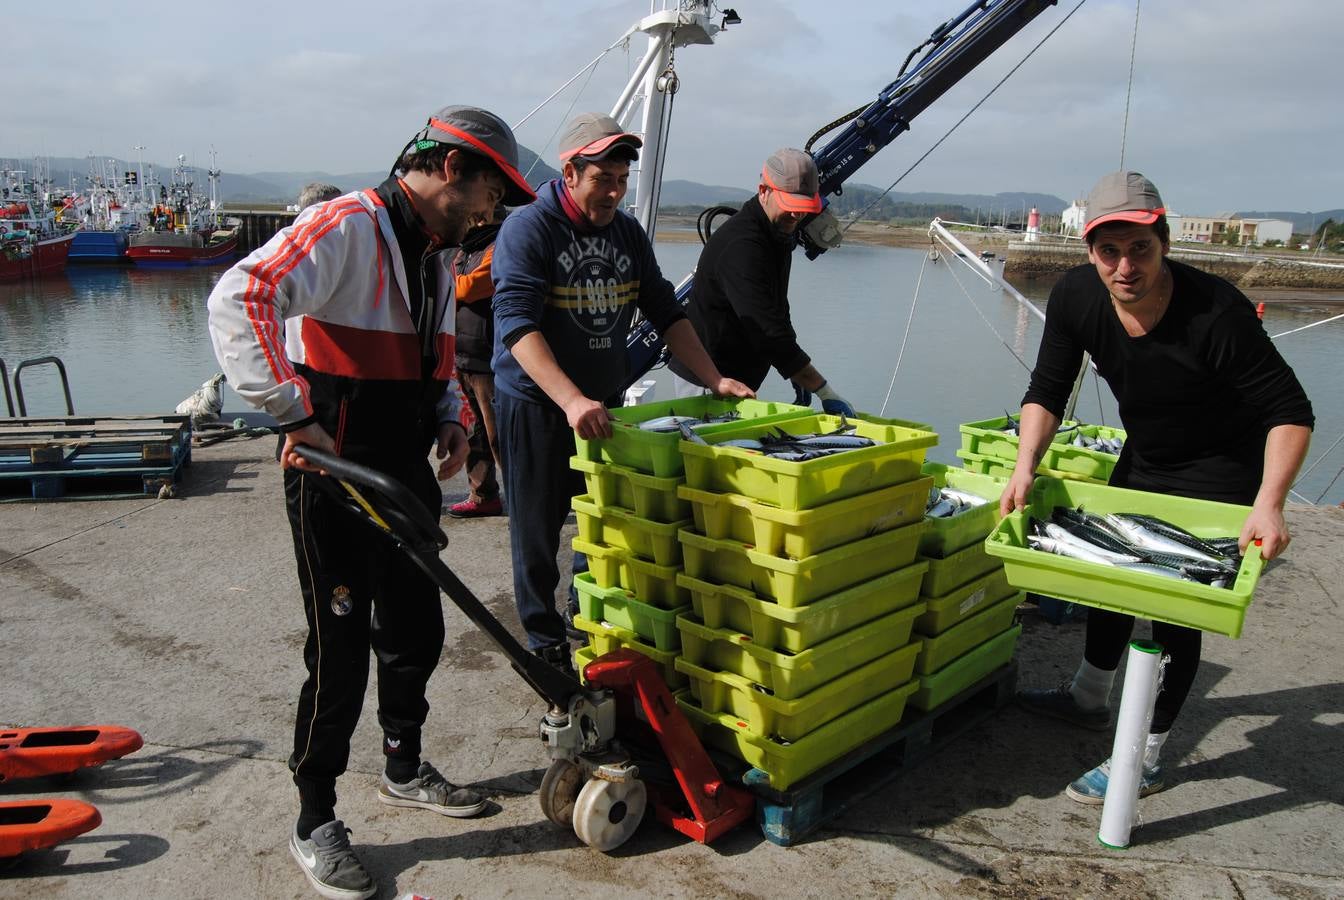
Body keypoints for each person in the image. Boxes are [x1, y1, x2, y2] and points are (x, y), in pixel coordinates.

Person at [206, 105, 536, 900]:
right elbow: (239, 294)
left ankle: (402, 764)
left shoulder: (435, 251)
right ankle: (314, 816)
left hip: (404, 468)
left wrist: (452, 417)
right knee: (340, 645)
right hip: (334, 473)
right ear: (451, 170)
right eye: (493, 189)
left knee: (415, 628)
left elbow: (435, 347)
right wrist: (291, 411)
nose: (495, 209)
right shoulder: (346, 227)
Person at [1001, 170, 1314, 805]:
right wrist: (1025, 464)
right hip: (1146, 455)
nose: (1124, 267)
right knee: (1109, 580)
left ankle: (1143, 756)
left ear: (1164, 243)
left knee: (1176, 609)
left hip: (1224, 466)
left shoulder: (1217, 313)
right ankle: (1088, 696)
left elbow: (1291, 410)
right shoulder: (1075, 298)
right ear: (1090, 252)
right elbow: (1047, 388)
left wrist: (1269, 502)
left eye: (1139, 249)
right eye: (1109, 251)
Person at [490, 111, 754, 671]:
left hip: (601, 405)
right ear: (569, 172)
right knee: (536, 531)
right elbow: (516, 324)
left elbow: (665, 310)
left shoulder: (626, 232)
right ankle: (542, 645)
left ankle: (583, 612)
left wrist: (713, 377)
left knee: (603, 523)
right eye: (601, 179)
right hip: (539, 405)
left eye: (620, 180)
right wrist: (569, 400)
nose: (612, 191)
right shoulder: (528, 228)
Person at [668, 147, 854, 415]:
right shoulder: (742, 246)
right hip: (707, 379)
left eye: (803, 209)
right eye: (791, 206)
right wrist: (822, 389)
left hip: (740, 379)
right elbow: (767, 330)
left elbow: (778, 309)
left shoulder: (777, 233)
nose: (796, 216)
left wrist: (794, 370)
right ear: (764, 191)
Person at [447, 203, 507, 518]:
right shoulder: (465, 249)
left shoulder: (501, 245)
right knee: (474, 433)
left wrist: (443, 286)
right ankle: (483, 495)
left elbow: (473, 286)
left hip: (489, 357)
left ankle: (525, 499)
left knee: (499, 436)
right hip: (462, 353)